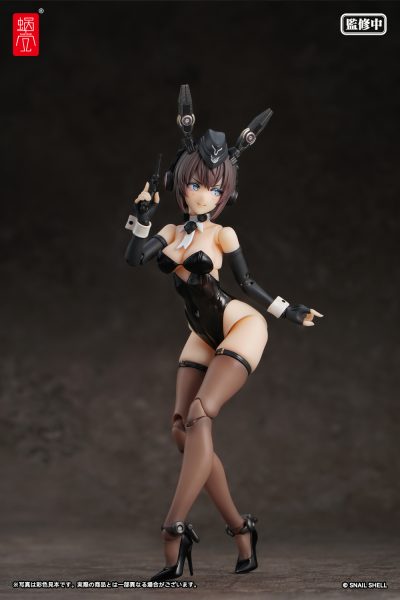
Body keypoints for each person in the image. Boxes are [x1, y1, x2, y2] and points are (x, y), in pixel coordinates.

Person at [124, 85, 323, 581]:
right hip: (200, 332)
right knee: (182, 429)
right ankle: (240, 528)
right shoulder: (171, 233)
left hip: (239, 324)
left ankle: (173, 529)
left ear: (225, 193)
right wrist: (141, 220)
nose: (206, 195)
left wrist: (288, 310)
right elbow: (135, 259)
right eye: (198, 184)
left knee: (200, 414)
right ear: (180, 182)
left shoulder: (221, 234)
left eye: (216, 189)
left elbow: (247, 283)